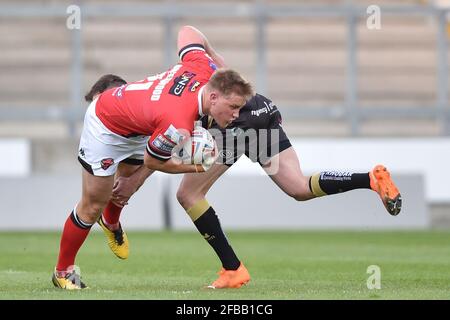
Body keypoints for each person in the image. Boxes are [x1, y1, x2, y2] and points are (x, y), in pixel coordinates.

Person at [94, 78, 401, 289]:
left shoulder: (152, 104)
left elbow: (160, 154)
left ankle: (233, 269)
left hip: (236, 122)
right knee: (298, 187)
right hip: (261, 108)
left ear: (115, 91)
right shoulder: (169, 85)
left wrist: (134, 181)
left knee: (189, 193)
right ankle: (370, 179)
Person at [51, 25, 254, 290]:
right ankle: (63, 272)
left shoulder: (204, 68)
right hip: (105, 126)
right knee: (93, 204)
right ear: (213, 97)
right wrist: (196, 166)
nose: (237, 114)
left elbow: (187, 32)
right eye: (234, 107)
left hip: (139, 124)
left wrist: (218, 61)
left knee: (127, 184)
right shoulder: (177, 122)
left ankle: (111, 222)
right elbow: (153, 162)